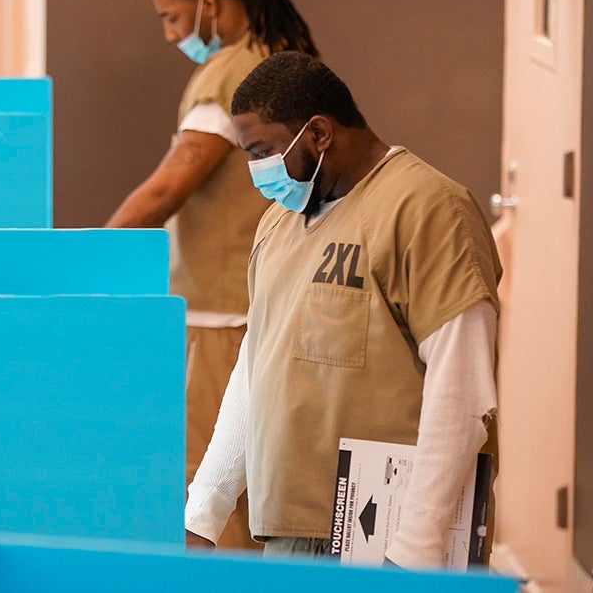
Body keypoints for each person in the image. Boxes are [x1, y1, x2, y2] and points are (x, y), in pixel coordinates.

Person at [184, 51, 501, 568]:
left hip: (391, 537)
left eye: (262, 150)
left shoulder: (427, 209)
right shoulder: (279, 225)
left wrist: (416, 548)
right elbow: (254, 372)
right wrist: (203, 511)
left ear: (319, 133)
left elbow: (462, 389)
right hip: (293, 533)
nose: (255, 171)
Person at [105, 0, 318, 550]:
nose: (171, 34)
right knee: (253, 485)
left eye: (172, 16)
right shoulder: (279, 54)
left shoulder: (228, 71)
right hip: (261, 302)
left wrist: (89, 259)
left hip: (222, 316)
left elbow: (169, 186)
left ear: (210, 3)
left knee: (212, 493)